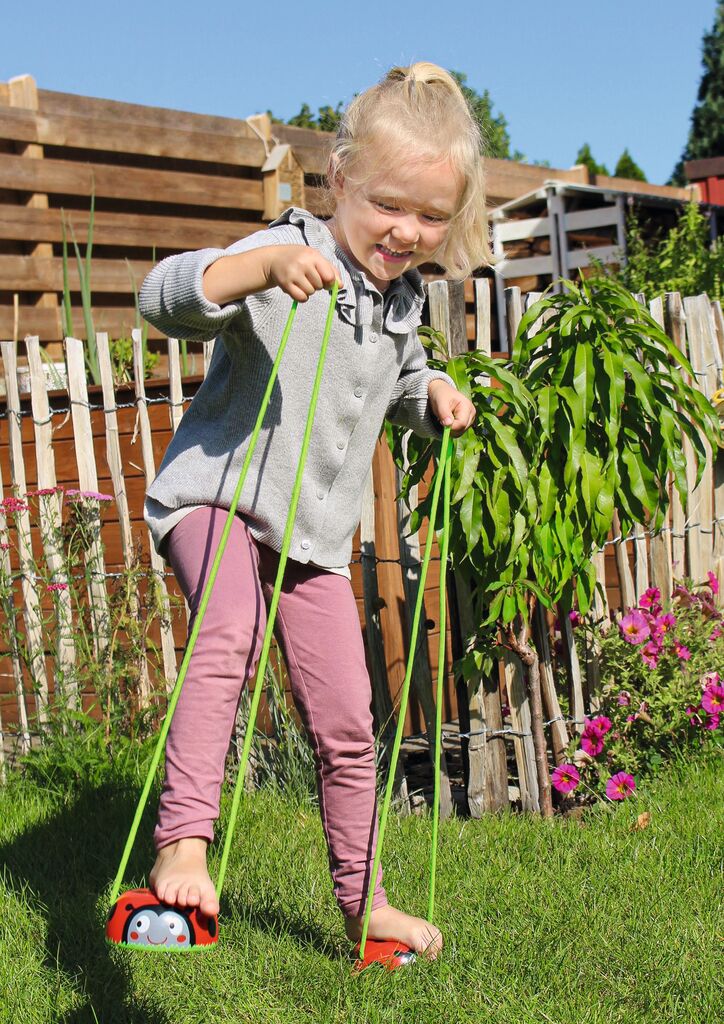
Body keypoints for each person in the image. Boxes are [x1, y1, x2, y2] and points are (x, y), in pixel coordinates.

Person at [139, 61, 493, 960]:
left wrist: (438, 393)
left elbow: (399, 381)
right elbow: (165, 298)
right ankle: (182, 846)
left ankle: (364, 903)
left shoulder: (403, 302)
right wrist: (258, 266)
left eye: (430, 216)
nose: (406, 230)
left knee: (348, 717)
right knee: (228, 637)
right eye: (387, 205)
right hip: (217, 500)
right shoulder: (288, 252)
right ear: (338, 178)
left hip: (315, 538)